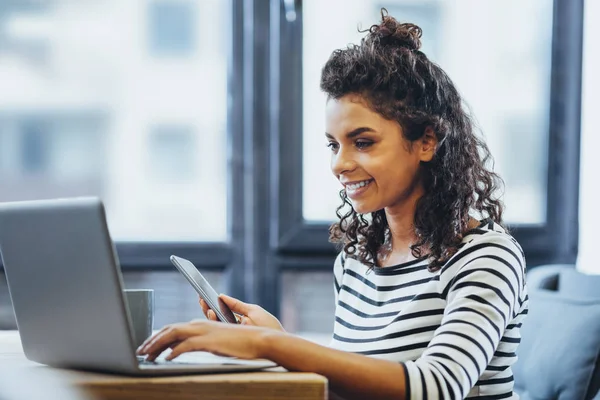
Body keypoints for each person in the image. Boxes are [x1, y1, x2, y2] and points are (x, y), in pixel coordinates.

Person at [137, 10, 528, 400]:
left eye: (362, 142)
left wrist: (269, 346)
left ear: (426, 142)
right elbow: (354, 386)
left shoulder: (486, 256)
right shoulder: (357, 261)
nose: (339, 164)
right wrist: (277, 339)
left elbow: (437, 386)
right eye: (333, 144)